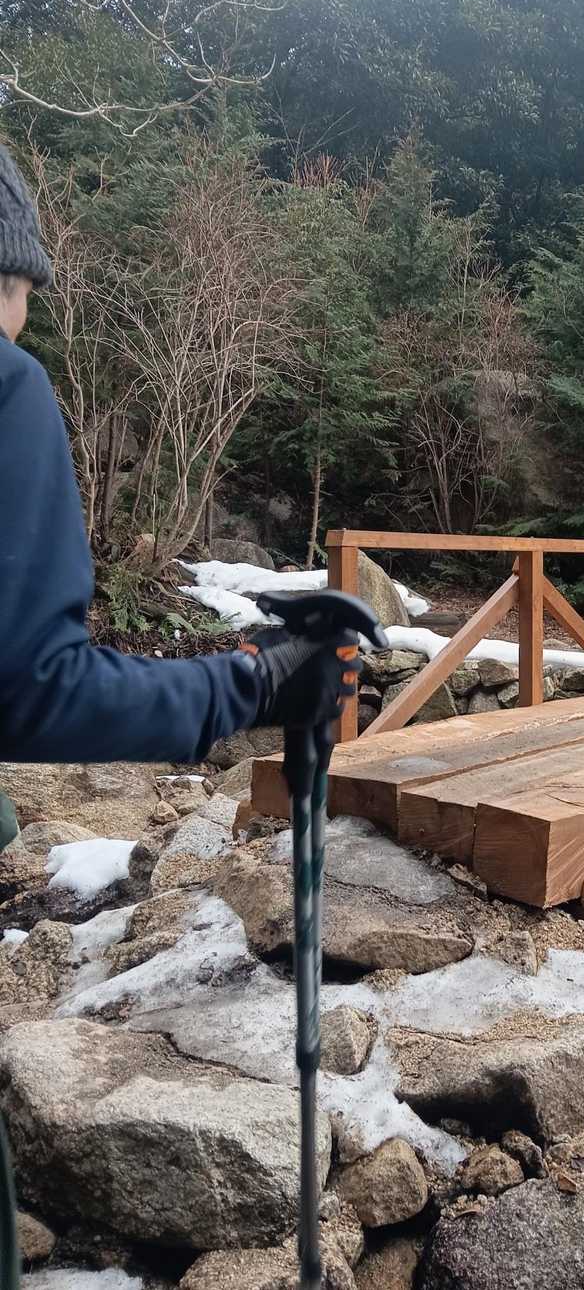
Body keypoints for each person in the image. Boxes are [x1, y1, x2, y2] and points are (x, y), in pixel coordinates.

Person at [0, 143, 367, 1288]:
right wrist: (254, 684)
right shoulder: (5, 388)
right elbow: (33, 687)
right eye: (23, 288)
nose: (25, 317)